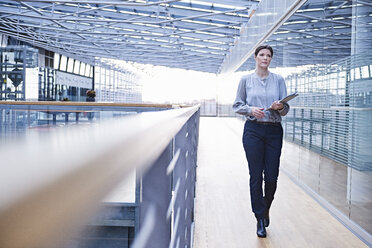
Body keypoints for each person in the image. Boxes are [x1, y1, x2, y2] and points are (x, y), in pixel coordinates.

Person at [232, 45, 289, 238]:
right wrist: (250, 110)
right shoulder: (245, 80)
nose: (265, 58)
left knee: (271, 177)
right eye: (262, 55)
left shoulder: (279, 80)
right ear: (255, 58)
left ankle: (265, 209)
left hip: (274, 131)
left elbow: (285, 109)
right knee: (256, 176)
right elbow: (237, 105)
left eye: (269, 56)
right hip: (253, 131)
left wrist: (279, 106)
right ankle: (259, 219)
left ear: (271, 59)